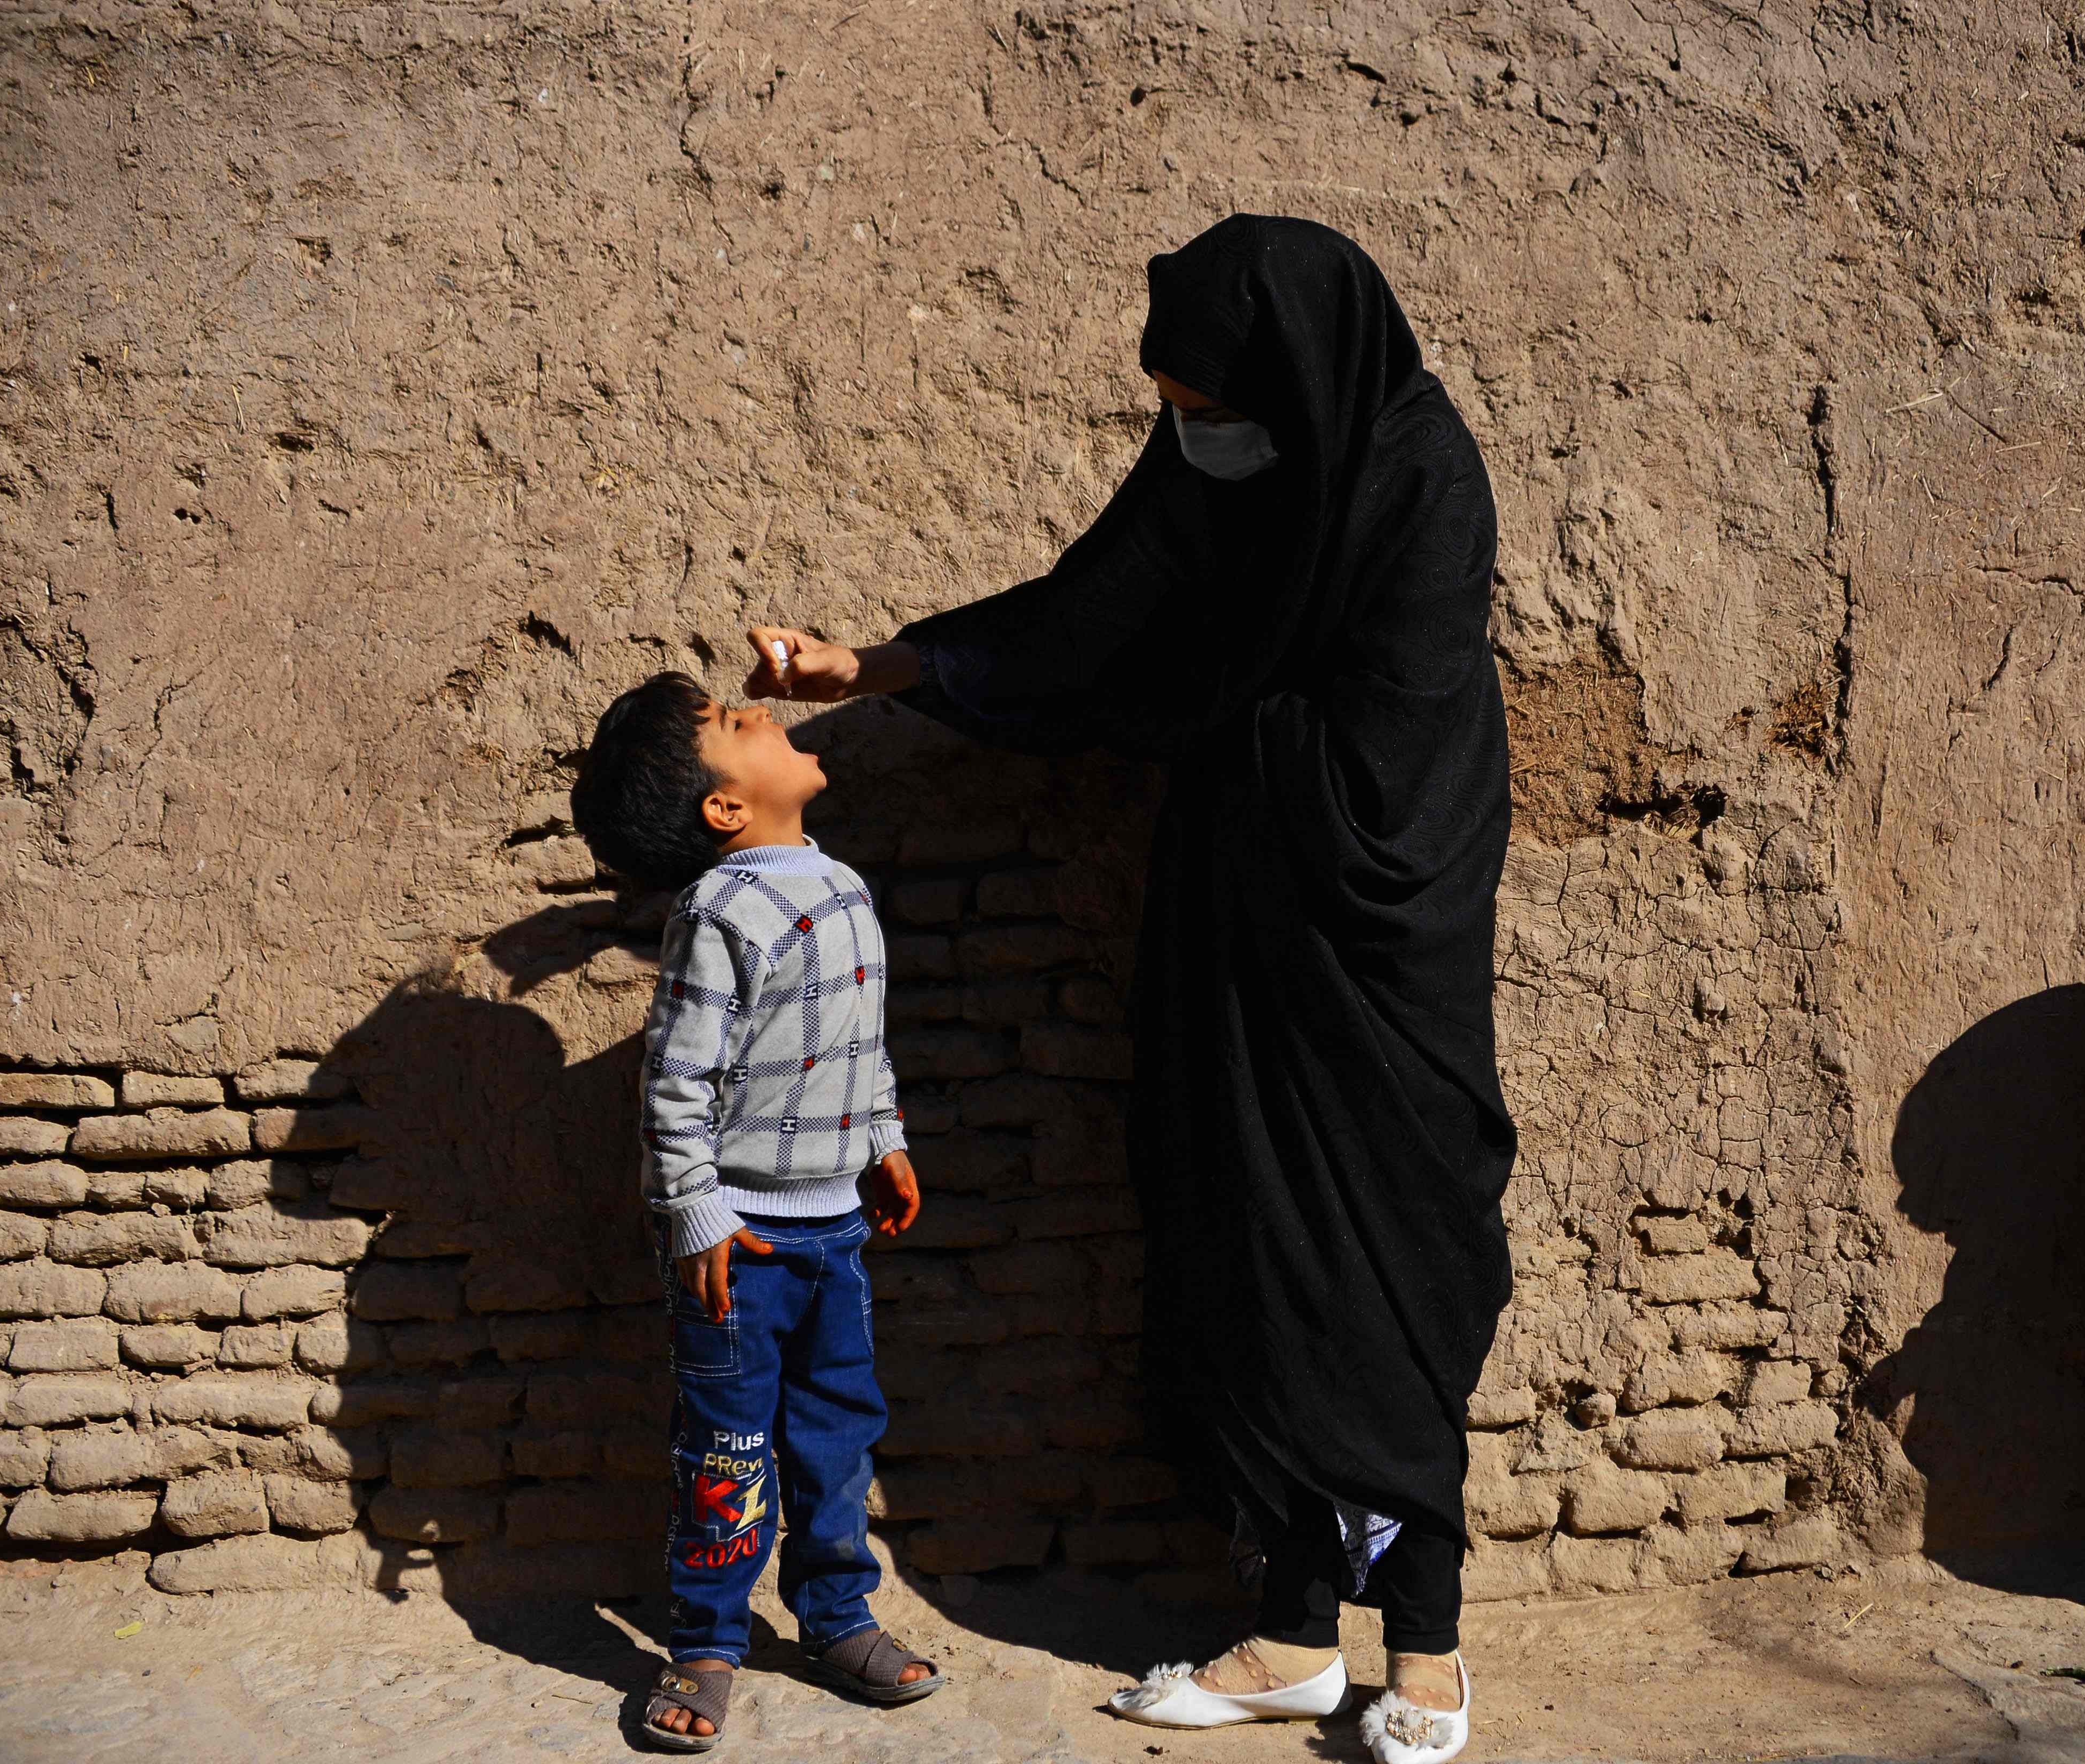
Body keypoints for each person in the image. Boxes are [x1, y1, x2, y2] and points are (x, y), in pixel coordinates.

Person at [745, 215, 1513, 1764]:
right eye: (1171, 408)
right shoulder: (1217, 463)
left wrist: (1230, 712)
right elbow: (1096, 607)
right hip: (1239, 934)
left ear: (1296, 379)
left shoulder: (1418, 478)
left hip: (1378, 950)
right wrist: (875, 669)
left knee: (1401, 1262)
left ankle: (1424, 1645)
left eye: (1212, 411)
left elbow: (1400, 748)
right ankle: (1294, 1634)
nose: (1190, 439)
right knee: (1253, 1255)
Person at [570, 673, 942, 1751]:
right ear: (724, 807)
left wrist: (885, 1141)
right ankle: (706, 1641)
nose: (768, 718)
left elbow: (860, 1046)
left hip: (838, 1235)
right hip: (746, 1243)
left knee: (837, 1433)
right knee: (729, 1448)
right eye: (740, 726)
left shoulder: (843, 886)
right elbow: (675, 1080)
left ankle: (835, 1617)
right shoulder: (718, 912)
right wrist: (695, 1218)